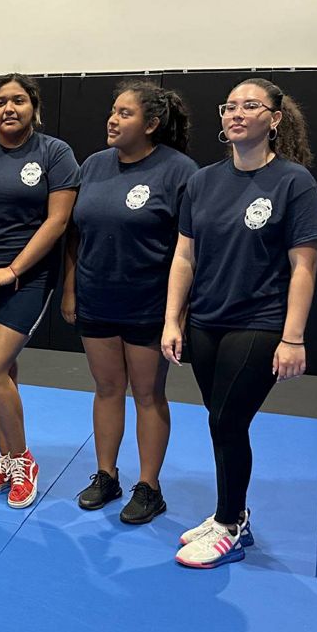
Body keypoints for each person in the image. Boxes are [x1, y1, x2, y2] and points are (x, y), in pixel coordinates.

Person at [163, 78, 317, 568]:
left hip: (259, 322)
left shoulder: (294, 182)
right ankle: (226, 515)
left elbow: (305, 265)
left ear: (274, 119)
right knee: (221, 425)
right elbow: (184, 257)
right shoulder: (203, 181)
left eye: (250, 106)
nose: (236, 113)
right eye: (229, 106)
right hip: (206, 323)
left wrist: (292, 338)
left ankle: (231, 523)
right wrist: (173, 319)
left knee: (228, 420)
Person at [61, 80, 196, 523]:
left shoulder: (179, 171)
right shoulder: (95, 165)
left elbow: (190, 248)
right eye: (112, 111)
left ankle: (149, 486)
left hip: (148, 305)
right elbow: (76, 234)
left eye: (125, 114)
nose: (113, 120)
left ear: (152, 124)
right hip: (97, 298)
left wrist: (176, 314)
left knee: (147, 393)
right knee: (106, 389)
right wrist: (71, 288)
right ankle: (106, 475)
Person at [0, 74, 79, 508]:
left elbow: (57, 222)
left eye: (19, 100)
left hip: (27, 279)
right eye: (1, 101)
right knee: (2, 374)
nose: (9, 108)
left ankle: (23, 460)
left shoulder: (53, 153)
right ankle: (4, 458)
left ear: (33, 106)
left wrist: (14, 270)